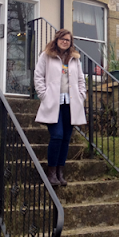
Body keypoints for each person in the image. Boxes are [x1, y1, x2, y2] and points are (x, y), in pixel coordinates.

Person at [34, 29, 86, 186]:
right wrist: (44, 95)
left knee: (65, 138)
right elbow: (38, 76)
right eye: (62, 39)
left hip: (71, 104)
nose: (65, 42)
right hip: (53, 103)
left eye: (67, 40)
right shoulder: (46, 56)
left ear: (71, 42)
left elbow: (81, 80)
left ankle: (59, 172)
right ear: (56, 40)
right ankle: (51, 171)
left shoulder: (75, 59)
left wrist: (81, 95)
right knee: (57, 135)